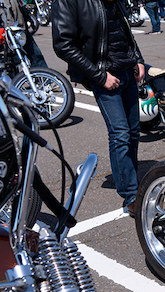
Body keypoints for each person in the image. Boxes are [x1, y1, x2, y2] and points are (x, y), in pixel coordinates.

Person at [52, 0, 146, 215]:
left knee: (133, 132)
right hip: (105, 75)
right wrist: (99, 76)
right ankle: (131, 195)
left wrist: (138, 60)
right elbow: (63, 45)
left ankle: (133, 181)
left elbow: (124, 31)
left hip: (127, 71)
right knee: (120, 134)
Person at [2, 0, 48, 67]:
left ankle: (41, 73)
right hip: (6, 35)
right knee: (11, 63)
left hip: (20, 31)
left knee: (37, 58)